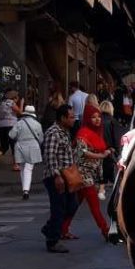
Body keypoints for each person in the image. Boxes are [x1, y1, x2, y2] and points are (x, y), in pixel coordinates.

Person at [64, 105, 112, 242]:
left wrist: (107, 152)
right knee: (94, 204)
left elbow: (100, 149)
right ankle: (105, 230)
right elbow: (81, 152)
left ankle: (63, 228)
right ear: (87, 118)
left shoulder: (98, 132)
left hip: (91, 174)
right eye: (93, 117)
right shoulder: (83, 133)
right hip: (83, 174)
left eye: (98, 117)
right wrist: (101, 156)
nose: (97, 120)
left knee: (75, 204)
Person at [41, 105, 78, 253]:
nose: (73, 119)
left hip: (67, 174)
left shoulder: (65, 132)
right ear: (62, 118)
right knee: (58, 208)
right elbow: (50, 156)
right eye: (70, 117)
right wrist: (57, 176)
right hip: (56, 176)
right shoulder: (53, 133)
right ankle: (52, 241)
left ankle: (49, 228)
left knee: (72, 205)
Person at [9, 105, 44, 200]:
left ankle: (24, 189)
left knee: (22, 168)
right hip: (33, 146)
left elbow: (11, 135)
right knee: (29, 168)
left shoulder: (19, 123)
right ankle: (26, 190)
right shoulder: (37, 124)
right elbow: (41, 139)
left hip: (20, 146)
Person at [99, 100, 121, 198]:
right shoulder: (112, 121)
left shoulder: (97, 119)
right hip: (109, 149)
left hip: (98, 149)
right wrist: (117, 151)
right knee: (109, 168)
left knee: (101, 168)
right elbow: (116, 138)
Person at [0, 89, 19, 170]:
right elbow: (19, 111)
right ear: (14, 97)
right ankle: (16, 165)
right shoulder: (11, 102)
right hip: (10, 125)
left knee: (4, 146)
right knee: (14, 145)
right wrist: (22, 104)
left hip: (1, 125)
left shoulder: (1, 103)